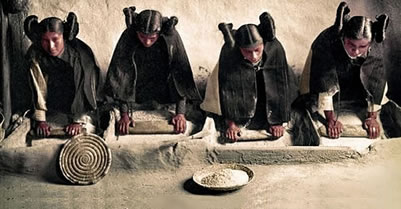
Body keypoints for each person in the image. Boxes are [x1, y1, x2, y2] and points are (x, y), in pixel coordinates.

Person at [294, 2, 390, 145]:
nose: (356, 51)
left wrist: (372, 118)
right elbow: (324, 82)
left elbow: (377, 82)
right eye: (351, 45)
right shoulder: (326, 42)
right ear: (343, 37)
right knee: (310, 100)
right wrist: (331, 120)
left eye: (362, 46)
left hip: (353, 80)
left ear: (370, 44)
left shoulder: (376, 46)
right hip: (323, 79)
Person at [200, 12, 298, 142]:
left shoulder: (275, 49)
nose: (254, 57)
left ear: (263, 44)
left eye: (257, 50)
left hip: (265, 99)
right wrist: (232, 124)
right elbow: (227, 90)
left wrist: (278, 121)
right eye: (247, 51)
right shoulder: (230, 54)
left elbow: (280, 86)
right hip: (242, 97)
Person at [104, 7, 201, 135]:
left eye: (152, 38)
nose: (147, 42)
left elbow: (180, 77)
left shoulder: (171, 37)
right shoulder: (128, 36)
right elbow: (122, 75)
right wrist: (124, 114)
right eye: (142, 37)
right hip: (137, 90)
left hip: (164, 92)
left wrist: (180, 113)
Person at [24, 12, 100, 137]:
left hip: (80, 105)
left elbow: (84, 87)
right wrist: (41, 120)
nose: (51, 46)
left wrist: (77, 121)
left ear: (63, 36)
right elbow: (38, 86)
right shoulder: (35, 54)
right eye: (45, 41)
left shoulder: (80, 56)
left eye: (55, 40)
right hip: (54, 103)